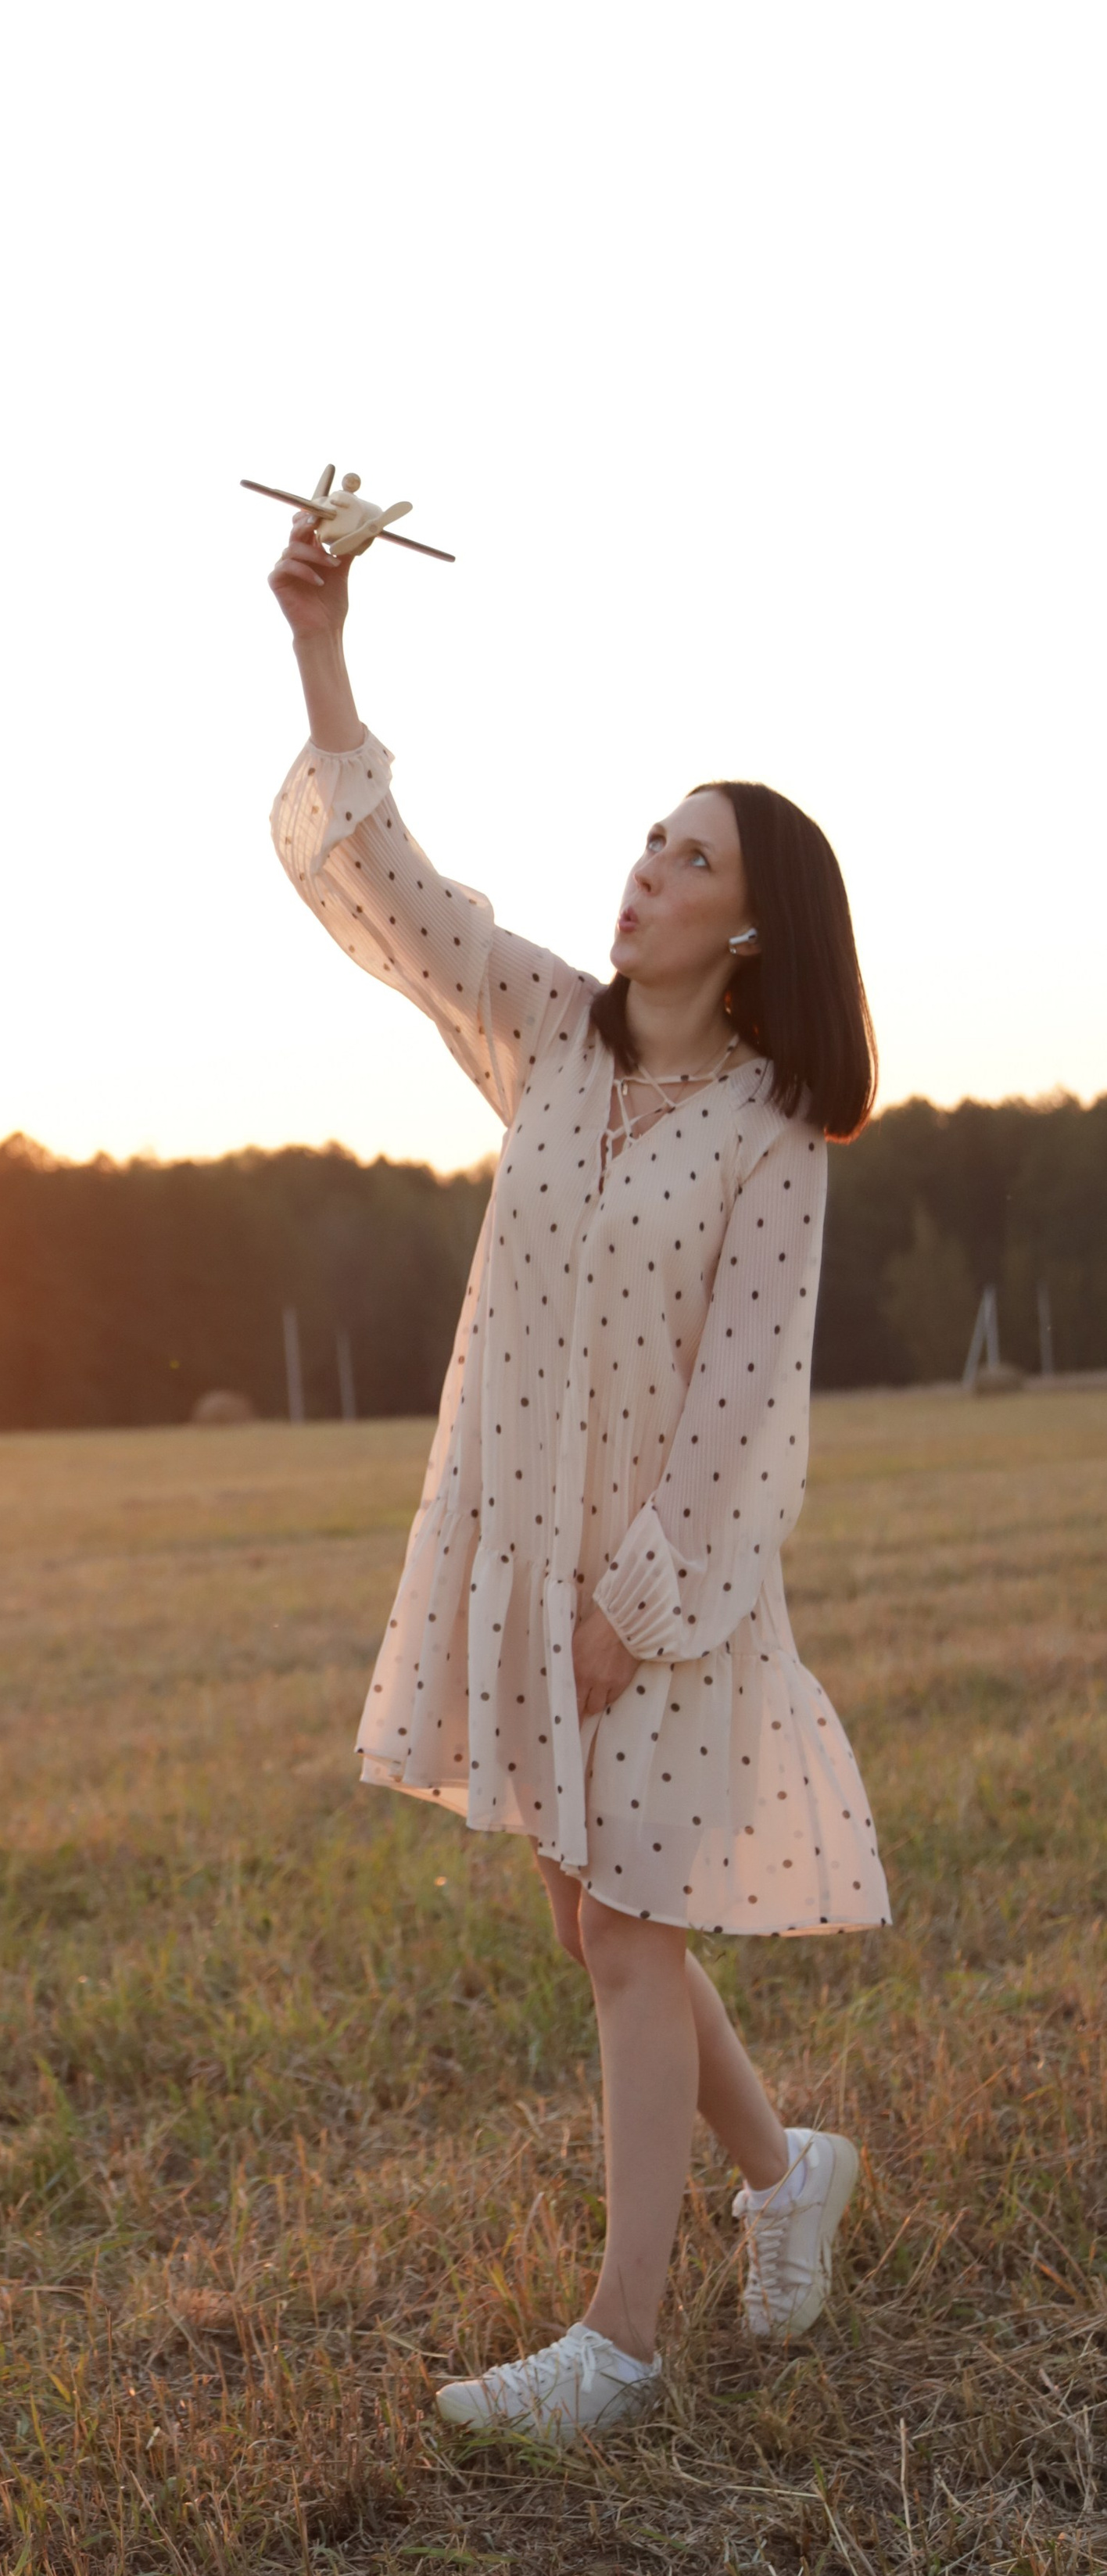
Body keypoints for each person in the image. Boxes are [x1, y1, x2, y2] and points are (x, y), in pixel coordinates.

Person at [266, 510, 889, 2444]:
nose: (644, 874)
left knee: (625, 1925)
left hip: (657, 1583)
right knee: (593, 1913)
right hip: (516, 1548)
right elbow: (388, 883)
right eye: (644, 840)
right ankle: (789, 2179)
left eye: (686, 857)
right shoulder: (544, 1031)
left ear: (752, 919)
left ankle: (616, 2344)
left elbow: (741, 1406)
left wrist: (639, 1608)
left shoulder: (771, 1138)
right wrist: (319, 638)